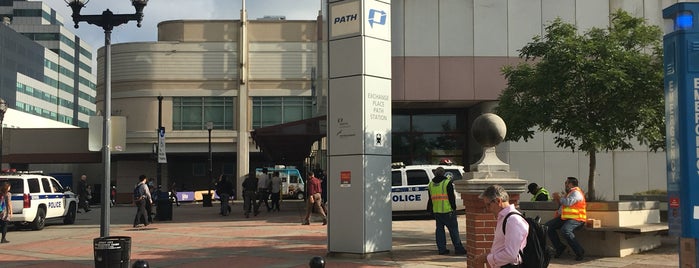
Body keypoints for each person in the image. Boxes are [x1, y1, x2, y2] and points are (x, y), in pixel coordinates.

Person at [473, 184, 528, 267]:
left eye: (488, 205)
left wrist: (487, 258)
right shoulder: (505, 218)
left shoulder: (512, 220)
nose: (488, 209)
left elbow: (511, 255)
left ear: (498, 201)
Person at [425, 167, 466, 255]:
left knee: (439, 231)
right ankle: (458, 249)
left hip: (437, 211)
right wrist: (453, 208)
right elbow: (451, 197)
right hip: (448, 211)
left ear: (435, 174)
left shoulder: (431, 184)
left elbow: (430, 199)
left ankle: (442, 250)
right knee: (453, 230)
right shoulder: (447, 183)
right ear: (443, 173)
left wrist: (430, 210)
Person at [546, 176, 586, 261]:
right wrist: (558, 200)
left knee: (566, 230)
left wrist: (559, 198)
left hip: (577, 219)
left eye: (566, 183)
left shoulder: (576, 193)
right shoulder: (570, 193)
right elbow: (564, 207)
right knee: (547, 227)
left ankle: (580, 252)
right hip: (566, 218)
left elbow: (568, 203)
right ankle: (559, 247)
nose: (565, 184)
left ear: (571, 184)